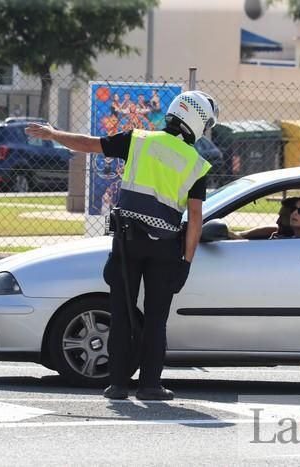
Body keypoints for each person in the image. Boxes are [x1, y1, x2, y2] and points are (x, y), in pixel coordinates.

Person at [26, 91, 218, 401]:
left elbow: (89, 144)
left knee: (122, 314)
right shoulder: (196, 164)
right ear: (196, 120)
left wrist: (52, 134)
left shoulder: (139, 140)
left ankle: (116, 385)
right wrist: (186, 262)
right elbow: (195, 220)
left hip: (128, 243)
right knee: (156, 319)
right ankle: (150, 386)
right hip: (166, 249)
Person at [229, 197, 299, 240]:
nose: (278, 221)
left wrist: (238, 238)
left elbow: (256, 255)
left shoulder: (292, 243)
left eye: (284, 216)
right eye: (280, 216)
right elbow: (274, 228)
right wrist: (240, 234)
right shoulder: (292, 236)